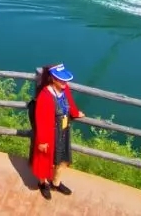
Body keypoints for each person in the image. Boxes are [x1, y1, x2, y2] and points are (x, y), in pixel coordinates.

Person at [30, 63, 85, 200]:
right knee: (44, 159)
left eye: (65, 80)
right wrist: (42, 141)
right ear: (53, 79)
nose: (64, 82)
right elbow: (40, 120)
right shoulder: (45, 96)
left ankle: (56, 182)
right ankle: (43, 184)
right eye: (61, 80)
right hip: (49, 134)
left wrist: (75, 113)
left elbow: (70, 103)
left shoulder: (65, 89)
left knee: (62, 158)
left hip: (63, 131)